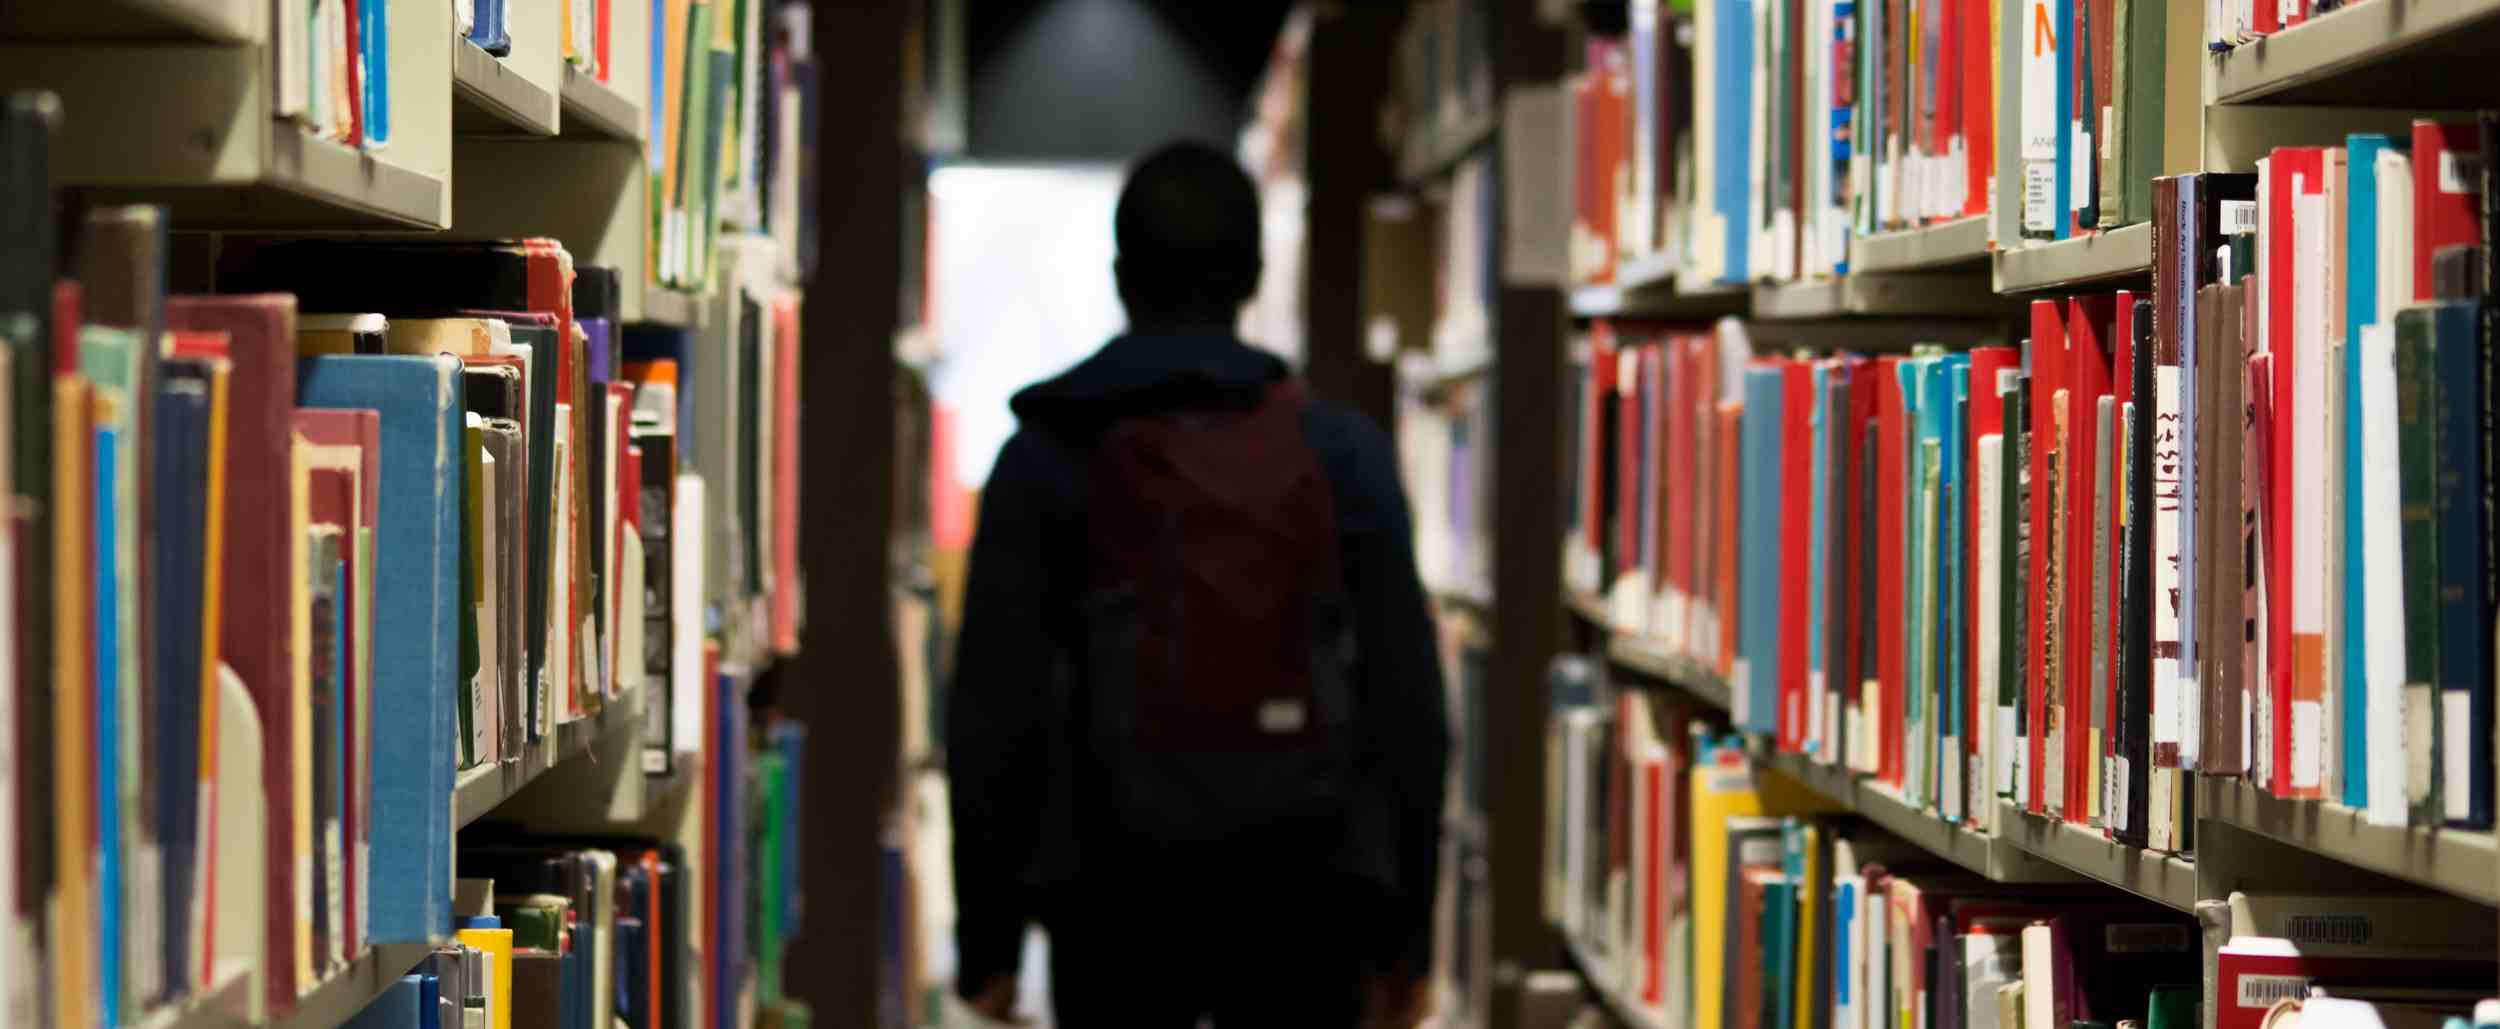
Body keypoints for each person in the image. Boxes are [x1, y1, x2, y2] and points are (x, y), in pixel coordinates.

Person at [945, 140, 1450, 1028]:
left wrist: (989, 942)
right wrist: (1405, 937)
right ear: (1253, 275)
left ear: (1119, 273)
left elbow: (992, 710)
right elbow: (1409, 703)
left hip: (1111, 895)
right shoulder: (1344, 455)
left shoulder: (1045, 455)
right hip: (1306, 890)